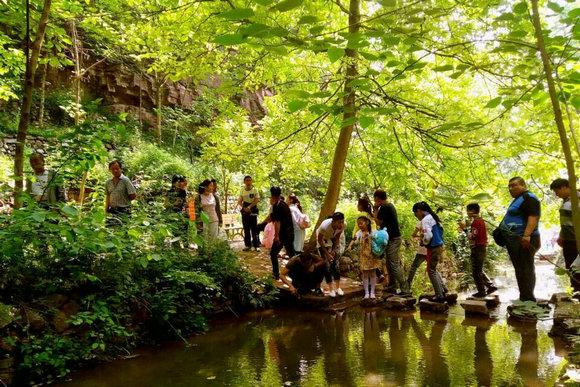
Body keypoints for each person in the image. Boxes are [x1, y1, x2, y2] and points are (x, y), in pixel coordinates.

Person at [499, 177, 541, 302]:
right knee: (520, 268)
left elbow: (533, 217)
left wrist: (527, 235)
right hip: (516, 240)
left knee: (525, 268)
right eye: (509, 187)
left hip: (525, 239)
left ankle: (528, 299)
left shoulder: (529, 198)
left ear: (523, 185)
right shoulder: (518, 200)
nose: (511, 189)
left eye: (514, 185)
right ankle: (524, 296)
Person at [373, 189, 409, 295]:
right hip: (392, 238)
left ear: (377, 198)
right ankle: (392, 285)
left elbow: (378, 222)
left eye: (374, 198)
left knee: (394, 264)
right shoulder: (389, 206)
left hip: (393, 239)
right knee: (389, 263)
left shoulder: (384, 207)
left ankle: (405, 288)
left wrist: (375, 210)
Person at [550, 178, 580, 292]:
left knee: (576, 269)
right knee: (571, 268)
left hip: (576, 241)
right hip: (568, 241)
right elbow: (567, 221)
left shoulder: (577, 199)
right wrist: (561, 235)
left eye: (556, 191)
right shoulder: (567, 200)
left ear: (564, 187)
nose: (556, 194)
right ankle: (576, 292)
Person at [413, 201, 446, 303]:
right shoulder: (433, 217)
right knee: (433, 269)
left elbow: (428, 236)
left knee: (431, 270)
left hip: (433, 246)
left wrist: (424, 242)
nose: (416, 216)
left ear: (419, 211)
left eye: (415, 214)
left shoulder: (426, 219)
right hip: (439, 245)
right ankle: (442, 290)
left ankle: (439, 295)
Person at [465, 203, 497, 297]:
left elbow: (472, 236)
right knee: (479, 269)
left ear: (473, 211)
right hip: (482, 247)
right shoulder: (481, 221)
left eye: (468, 210)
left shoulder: (476, 222)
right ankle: (490, 286)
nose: (467, 213)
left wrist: (465, 230)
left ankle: (481, 291)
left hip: (477, 247)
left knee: (476, 271)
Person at [346, 215, 382, 299]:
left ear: (367, 222)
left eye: (361, 223)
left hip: (372, 255)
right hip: (363, 256)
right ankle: (366, 293)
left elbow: (379, 241)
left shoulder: (373, 232)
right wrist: (350, 246)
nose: (360, 225)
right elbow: (354, 239)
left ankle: (372, 292)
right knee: (365, 274)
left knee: (373, 274)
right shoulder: (359, 233)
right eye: (358, 224)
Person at [268, 186, 295, 279]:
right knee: (292, 255)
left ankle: (276, 274)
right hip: (290, 233)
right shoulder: (284, 204)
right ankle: (295, 274)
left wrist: (276, 236)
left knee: (273, 253)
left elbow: (277, 222)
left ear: (272, 195)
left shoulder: (277, 206)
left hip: (283, 234)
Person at [317, 212, 346, 297]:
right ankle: (331, 289)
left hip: (332, 239)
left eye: (342, 222)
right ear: (333, 221)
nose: (341, 224)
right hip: (323, 240)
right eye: (339, 222)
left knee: (336, 263)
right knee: (327, 265)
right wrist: (327, 254)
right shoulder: (324, 227)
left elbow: (337, 238)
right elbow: (319, 240)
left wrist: (333, 250)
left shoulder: (343, 225)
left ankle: (338, 287)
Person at [237, 176, 261, 252]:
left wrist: (250, 207)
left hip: (253, 209)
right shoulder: (242, 190)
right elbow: (239, 201)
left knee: (254, 228)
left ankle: (256, 245)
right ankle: (247, 245)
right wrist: (244, 207)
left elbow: (257, 200)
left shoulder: (255, 190)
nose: (248, 182)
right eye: (247, 180)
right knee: (246, 228)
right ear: (244, 182)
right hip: (245, 210)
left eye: (250, 180)